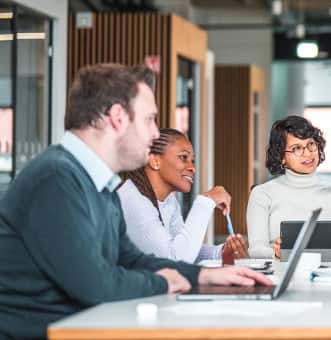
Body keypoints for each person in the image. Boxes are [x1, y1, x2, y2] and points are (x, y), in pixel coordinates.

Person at [0, 64, 271, 339]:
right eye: (149, 120)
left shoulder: (100, 183)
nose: (155, 134)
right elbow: (95, 284)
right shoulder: (56, 178)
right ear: (118, 117)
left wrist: (200, 276)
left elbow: (128, 258)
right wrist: (162, 282)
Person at [117, 128, 248, 263]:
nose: (192, 168)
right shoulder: (133, 201)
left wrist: (221, 252)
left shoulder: (169, 201)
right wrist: (205, 202)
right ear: (155, 161)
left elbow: (184, 249)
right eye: (183, 157)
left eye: (192, 161)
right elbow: (176, 260)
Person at [247, 115, 331, 260]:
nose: (307, 153)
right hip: (280, 274)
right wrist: (275, 253)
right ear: (281, 157)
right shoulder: (262, 194)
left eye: (311, 144)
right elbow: (256, 249)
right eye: (296, 148)